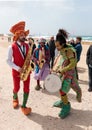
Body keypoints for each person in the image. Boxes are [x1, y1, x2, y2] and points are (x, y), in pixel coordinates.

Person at [53, 29, 82, 119]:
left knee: (63, 90)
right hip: (63, 72)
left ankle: (66, 106)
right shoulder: (63, 49)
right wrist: (56, 68)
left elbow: (73, 63)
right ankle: (63, 101)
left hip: (69, 73)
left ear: (62, 44)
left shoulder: (69, 50)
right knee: (59, 87)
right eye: (56, 46)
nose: (57, 48)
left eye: (58, 46)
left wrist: (64, 69)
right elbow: (63, 60)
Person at [6, 21, 32, 115]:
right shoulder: (11, 47)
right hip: (16, 71)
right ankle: (15, 98)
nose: (24, 36)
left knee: (27, 88)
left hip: (26, 70)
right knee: (16, 87)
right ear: (17, 36)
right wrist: (17, 68)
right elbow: (8, 61)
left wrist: (32, 61)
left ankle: (24, 106)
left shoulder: (27, 45)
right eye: (21, 35)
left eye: (24, 34)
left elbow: (29, 57)